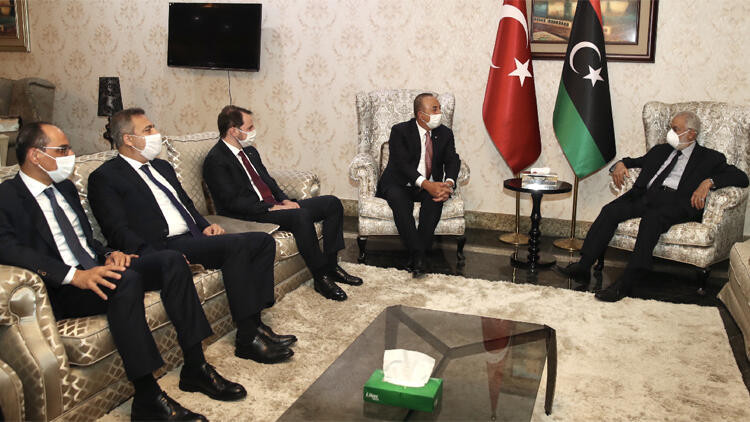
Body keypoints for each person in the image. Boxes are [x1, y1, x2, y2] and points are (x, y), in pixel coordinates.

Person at [0, 122, 248, 421]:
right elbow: (9, 249)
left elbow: (85, 241)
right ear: (35, 155)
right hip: (63, 287)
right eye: (63, 150)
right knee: (125, 280)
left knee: (170, 260)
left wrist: (109, 254)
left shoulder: (64, 188)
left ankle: (196, 367)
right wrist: (74, 275)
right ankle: (147, 396)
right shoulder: (7, 196)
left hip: (95, 268)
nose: (71, 155)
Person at [87, 108, 297, 367]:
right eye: (148, 129)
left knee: (262, 241)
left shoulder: (162, 167)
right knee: (237, 247)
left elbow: (186, 204)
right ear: (128, 139)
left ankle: (255, 323)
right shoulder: (105, 177)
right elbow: (116, 229)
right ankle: (247, 338)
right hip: (164, 246)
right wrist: (157, 257)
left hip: (192, 237)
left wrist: (204, 226)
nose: (156, 133)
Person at [559, 111, 749, 302]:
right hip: (644, 196)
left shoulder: (709, 157)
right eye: (670, 128)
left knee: (652, 219)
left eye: (675, 129)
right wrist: (620, 164)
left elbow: (742, 177)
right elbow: (634, 162)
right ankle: (583, 266)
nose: (670, 133)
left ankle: (627, 282)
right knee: (610, 211)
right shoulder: (660, 150)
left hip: (676, 203)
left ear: (691, 134)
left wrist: (709, 182)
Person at [202, 105, 362, 302]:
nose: (253, 131)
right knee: (301, 215)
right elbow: (233, 202)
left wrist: (284, 199)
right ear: (233, 131)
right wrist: (273, 207)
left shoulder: (250, 152)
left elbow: (269, 182)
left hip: (273, 206)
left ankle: (331, 266)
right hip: (251, 213)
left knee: (332, 203)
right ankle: (321, 277)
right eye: (249, 128)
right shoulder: (216, 161)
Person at [376, 93, 461, 277]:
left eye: (439, 108)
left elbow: (452, 160)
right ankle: (420, 255)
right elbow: (402, 164)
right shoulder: (400, 131)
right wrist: (427, 184)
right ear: (421, 115)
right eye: (435, 109)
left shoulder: (445, 133)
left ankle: (416, 256)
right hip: (399, 182)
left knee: (435, 201)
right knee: (400, 202)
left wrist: (448, 184)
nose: (440, 113)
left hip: (429, 183)